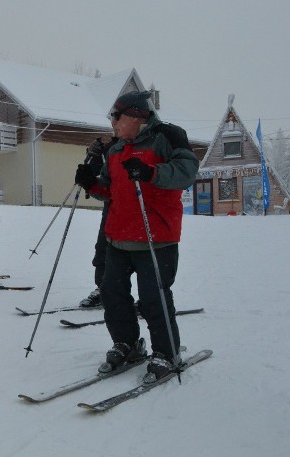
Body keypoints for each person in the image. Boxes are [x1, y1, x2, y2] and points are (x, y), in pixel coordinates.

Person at [74, 90, 198, 383]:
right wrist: (91, 184)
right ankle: (127, 344)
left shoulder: (166, 137)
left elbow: (187, 171)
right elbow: (111, 190)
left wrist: (150, 171)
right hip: (118, 237)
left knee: (153, 298)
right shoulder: (116, 150)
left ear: (135, 116)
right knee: (112, 293)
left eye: (116, 117)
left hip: (156, 237)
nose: (113, 124)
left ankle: (166, 353)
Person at [79, 137, 112, 308]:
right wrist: (92, 155)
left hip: (138, 206)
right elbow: (93, 172)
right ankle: (102, 289)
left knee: (137, 255)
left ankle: (149, 296)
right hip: (111, 207)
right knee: (102, 249)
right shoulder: (110, 147)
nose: (115, 124)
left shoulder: (138, 143)